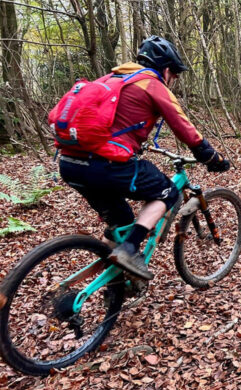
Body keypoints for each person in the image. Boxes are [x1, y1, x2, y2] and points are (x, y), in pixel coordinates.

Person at [58, 35, 230, 280]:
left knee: (121, 221)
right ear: (167, 69)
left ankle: (110, 281)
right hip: (104, 164)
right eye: (176, 76)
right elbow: (183, 127)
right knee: (169, 192)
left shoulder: (112, 79)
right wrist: (211, 156)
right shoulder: (151, 83)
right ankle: (128, 251)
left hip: (70, 164)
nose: (174, 82)